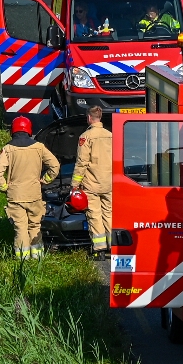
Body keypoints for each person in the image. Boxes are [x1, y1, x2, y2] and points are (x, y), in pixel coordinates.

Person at [0, 116, 61, 259]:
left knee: (20, 227)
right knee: (35, 226)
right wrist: (44, 180)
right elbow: (55, 166)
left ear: (13, 131)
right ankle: (37, 256)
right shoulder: (39, 147)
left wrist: (4, 187)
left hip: (16, 196)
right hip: (34, 194)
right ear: (29, 130)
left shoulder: (7, 149)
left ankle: (23, 259)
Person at [73, 106, 113, 257]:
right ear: (100, 117)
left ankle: (99, 248)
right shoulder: (110, 135)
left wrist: (74, 184)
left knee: (94, 214)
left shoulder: (86, 137)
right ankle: (113, 246)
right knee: (109, 213)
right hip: (109, 182)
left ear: (89, 118)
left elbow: (82, 162)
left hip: (91, 183)